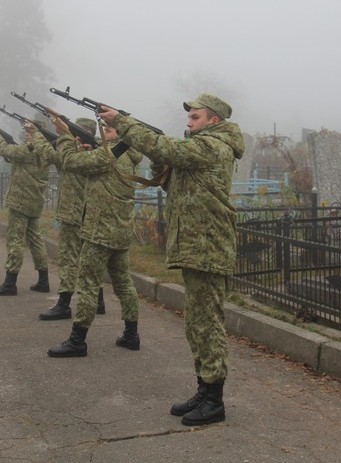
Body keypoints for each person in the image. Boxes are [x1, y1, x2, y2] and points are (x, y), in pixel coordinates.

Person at [98, 94, 244, 426]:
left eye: (195, 118)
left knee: (208, 324)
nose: (189, 123)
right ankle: (204, 389)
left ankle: (215, 400)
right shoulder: (200, 149)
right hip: (196, 247)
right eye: (189, 118)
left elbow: (169, 149)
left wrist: (122, 121)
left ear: (214, 121)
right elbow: (170, 180)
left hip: (208, 249)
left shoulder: (214, 147)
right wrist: (158, 163)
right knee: (196, 323)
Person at [45, 115, 143, 357]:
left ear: (119, 135)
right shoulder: (128, 157)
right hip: (119, 232)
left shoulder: (108, 157)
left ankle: (77, 340)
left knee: (88, 285)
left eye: (108, 131)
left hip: (99, 231)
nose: (103, 135)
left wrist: (65, 134)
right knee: (123, 283)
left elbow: (69, 161)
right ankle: (132, 334)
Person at [33, 118, 107, 320]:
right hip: (87, 214)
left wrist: (36, 134)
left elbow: (48, 153)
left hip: (72, 214)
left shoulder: (71, 155)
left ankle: (64, 304)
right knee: (89, 260)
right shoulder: (95, 155)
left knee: (68, 259)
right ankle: (98, 301)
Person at [0, 118, 52, 297]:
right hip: (34, 200)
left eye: (30, 133)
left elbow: (5, 150)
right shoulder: (45, 150)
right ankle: (44, 280)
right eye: (26, 133)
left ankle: (10, 283)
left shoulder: (30, 149)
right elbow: (12, 155)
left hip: (21, 201)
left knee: (15, 240)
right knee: (35, 239)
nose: (26, 136)